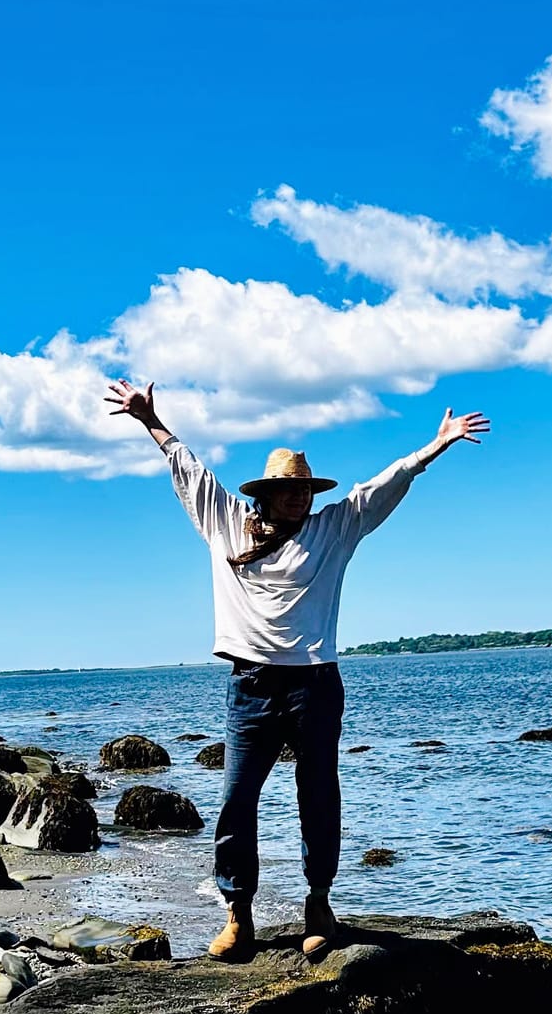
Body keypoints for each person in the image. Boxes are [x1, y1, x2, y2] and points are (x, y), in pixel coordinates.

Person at [104, 379, 489, 962]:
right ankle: (238, 914)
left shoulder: (333, 529)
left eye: (305, 488)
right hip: (250, 686)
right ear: (267, 492)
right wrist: (148, 420)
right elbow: (190, 469)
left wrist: (435, 447)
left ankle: (319, 903)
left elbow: (384, 486)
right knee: (237, 800)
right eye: (289, 489)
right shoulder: (225, 521)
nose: (299, 497)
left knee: (318, 795)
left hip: (314, 685)